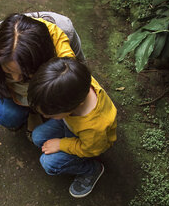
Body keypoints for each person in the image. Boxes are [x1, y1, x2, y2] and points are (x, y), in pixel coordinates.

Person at [0, 12, 85, 191]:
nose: (17, 79)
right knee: (8, 116)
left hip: (44, 86)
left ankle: (34, 110)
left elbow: (79, 69)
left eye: (26, 73)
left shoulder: (64, 29)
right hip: (15, 94)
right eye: (8, 72)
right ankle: (28, 111)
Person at [27, 57, 117, 198]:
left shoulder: (95, 127)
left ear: (75, 105)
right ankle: (65, 139)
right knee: (38, 136)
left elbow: (90, 149)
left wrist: (62, 144)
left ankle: (91, 170)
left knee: (48, 163)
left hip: (89, 144)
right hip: (70, 122)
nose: (45, 115)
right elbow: (61, 42)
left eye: (51, 114)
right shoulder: (72, 74)